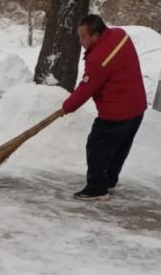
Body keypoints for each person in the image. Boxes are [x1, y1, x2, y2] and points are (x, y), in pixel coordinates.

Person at [62, 15, 147, 200]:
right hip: (137, 108)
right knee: (119, 148)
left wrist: (67, 107)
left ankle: (96, 188)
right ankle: (109, 181)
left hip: (116, 113)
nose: (80, 41)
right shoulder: (120, 35)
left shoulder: (99, 58)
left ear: (96, 35)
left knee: (97, 147)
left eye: (83, 37)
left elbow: (86, 88)